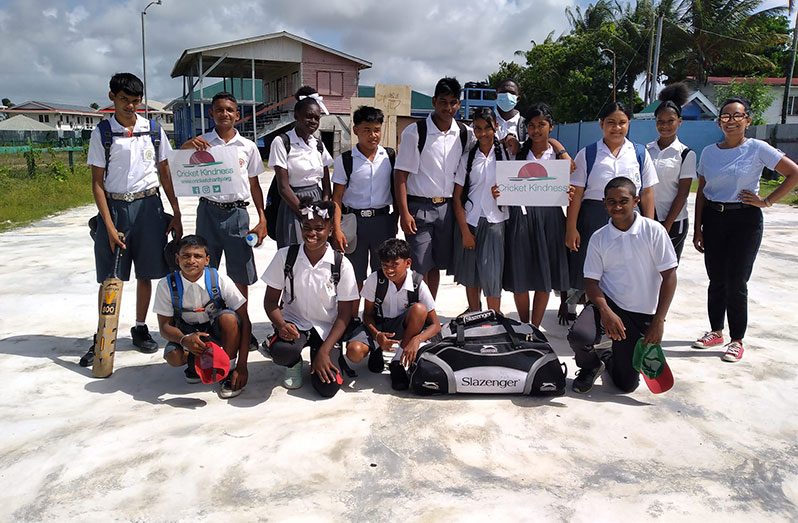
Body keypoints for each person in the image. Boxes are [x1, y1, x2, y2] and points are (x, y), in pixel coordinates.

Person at [80, 72, 182, 367]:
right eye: (124, 100)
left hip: (149, 207)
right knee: (110, 276)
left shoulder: (152, 130)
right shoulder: (102, 133)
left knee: (147, 273)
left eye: (136, 101)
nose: (130, 106)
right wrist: (109, 227)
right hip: (115, 209)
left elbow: (165, 172)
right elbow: (97, 183)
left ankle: (139, 326)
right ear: (111, 96)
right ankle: (104, 332)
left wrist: (175, 212)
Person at [692, 97, 798, 361]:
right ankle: (716, 331)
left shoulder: (757, 148)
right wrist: (698, 228)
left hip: (745, 221)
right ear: (719, 122)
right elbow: (702, 193)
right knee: (716, 279)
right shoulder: (709, 152)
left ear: (747, 121)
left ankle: (736, 339)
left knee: (736, 281)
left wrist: (767, 201)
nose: (731, 121)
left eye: (737, 116)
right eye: (726, 117)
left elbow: (794, 173)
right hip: (714, 218)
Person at [568, 177, 678, 394]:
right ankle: (590, 366)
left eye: (623, 200)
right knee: (579, 335)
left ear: (636, 200)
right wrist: (606, 312)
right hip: (608, 302)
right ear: (604, 203)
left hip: (641, 312)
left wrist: (658, 320)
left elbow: (670, 277)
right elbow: (591, 282)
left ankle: (608, 355)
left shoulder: (654, 231)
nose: (617, 206)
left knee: (625, 385)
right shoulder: (600, 237)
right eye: (611, 201)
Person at [181, 91, 266, 351]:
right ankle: (208, 328)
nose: (225, 114)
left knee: (240, 273)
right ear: (211, 113)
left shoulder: (248, 147)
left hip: (237, 214)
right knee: (205, 272)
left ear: (237, 115)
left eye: (230, 110)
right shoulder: (201, 143)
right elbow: (179, 166)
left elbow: (254, 184)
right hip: (208, 211)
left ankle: (243, 327)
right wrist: (186, 148)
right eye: (219, 110)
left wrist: (262, 218)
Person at [261, 199, 359, 397]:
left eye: (319, 228)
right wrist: (281, 325)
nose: (311, 233)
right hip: (295, 324)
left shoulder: (341, 264)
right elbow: (270, 302)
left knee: (327, 389)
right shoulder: (285, 256)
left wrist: (325, 351)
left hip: (327, 329)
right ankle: (293, 362)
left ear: (330, 229)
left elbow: (344, 314)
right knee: (282, 351)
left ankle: (319, 353)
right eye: (306, 227)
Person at [394, 77, 474, 298]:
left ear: (459, 104)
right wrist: (404, 212)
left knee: (436, 264)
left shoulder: (465, 133)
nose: (448, 108)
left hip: (448, 210)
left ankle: (430, 313)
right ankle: (416, 313)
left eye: (453, 102)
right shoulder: (415, 132)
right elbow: (400, 174)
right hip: (419, 208)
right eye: (443, 102)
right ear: (433, 102)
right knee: (419, 264)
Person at [566, 101, 658, 292]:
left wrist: (648, 227)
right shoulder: (588, 154)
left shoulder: (640, 154)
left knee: (625, 267)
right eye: (611, 122)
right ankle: (588, 310)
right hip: (593, 217)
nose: (617, 128)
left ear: (629, 123)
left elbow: (647, 192)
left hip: (630, 219)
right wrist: (571, 228)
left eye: (622, 122)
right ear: (601, 124)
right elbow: (576, 194)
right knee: (591, 267)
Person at [153, 235, 251, 398]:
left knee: (229, 319)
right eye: (186, 255)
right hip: (187, 332)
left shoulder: (219, 279)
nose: (191, 260)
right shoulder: (166, 285)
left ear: (207, 260)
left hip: (215, 330)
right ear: (177, 259)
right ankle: (195, 365)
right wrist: (185, 340)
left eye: (197, 256)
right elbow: (164, 327)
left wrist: (242, 366)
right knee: (173, 357)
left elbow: (245, 321)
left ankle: (228, 368)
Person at [504, 103, 572, 327]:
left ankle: (535, 326)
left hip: (550, 219)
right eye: (531, 125)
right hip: (521, 219)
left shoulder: (559, 156)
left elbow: (570, 174)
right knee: (521, 275)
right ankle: (524, 323)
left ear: (550, 126)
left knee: (545, 276)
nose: (536, 130)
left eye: (541, 124)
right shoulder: (518, 152)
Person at [345, 239, 441, 390]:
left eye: (394, 265)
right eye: (385, 265)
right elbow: (368, 315)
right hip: (379, 325)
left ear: (408, 263)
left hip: (404, 327)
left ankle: (398, 362)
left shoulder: (418, 283)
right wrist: (377, 335)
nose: (389, 270)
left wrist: (417, 339)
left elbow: (435, 325)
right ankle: (376, 349)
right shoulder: (375, 279)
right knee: (354, 352)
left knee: (420, 309)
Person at [331, 106, 396, 290]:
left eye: (376, 130)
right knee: (353, 273)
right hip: (354, 223)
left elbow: (397, 191)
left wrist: (395, 219)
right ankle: (352, 316)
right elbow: (337, 198)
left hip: (382, 222)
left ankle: (378, 314)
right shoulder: (345, 160)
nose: (373, 135)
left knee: (384, 271)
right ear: (355, 130)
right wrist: (336, 230)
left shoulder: (389, 157)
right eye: (367, 130)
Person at [452, 107, 509, 314]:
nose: (483, 133)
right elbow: (457, 198)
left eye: (487, 128)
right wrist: (465, 232)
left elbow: (519, 187)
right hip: (471, 220)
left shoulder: (506, 154)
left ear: (495, 127)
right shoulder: (468, 157)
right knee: (471, 274)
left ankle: (494, 319)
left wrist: (505, 193)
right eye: (478, 128)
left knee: (492, 274)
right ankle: (475, 316)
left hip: (495, 220)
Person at [268, 86, 333, 247]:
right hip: (293, 203)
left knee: (317, 249)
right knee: (294, 251)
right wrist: (305, 214)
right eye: (308, 116)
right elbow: (283, 187)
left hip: (317, 201)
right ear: (296, 116)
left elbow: (326, 183)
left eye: (317, 118)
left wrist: (323, 209)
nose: (313, 121)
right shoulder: (282, 142)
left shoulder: (317, 144)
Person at [646, 83, 697, 260]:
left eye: (670, 121)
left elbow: (682, 194)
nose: (665, 126)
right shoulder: (646, 151)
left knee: (667, 269)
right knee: (646, 269)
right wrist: (649, 220)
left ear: (679, 122)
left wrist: (666, 226)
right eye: (660, 121)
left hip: (674, 222)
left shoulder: (685, 154)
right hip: (647, 219)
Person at [494, 79, 526, 157]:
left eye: (512, 93)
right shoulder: (484, 123)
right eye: (503, 92)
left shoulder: (526, 125)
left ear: (518, 99)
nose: (507, 96)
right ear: (496, 96)